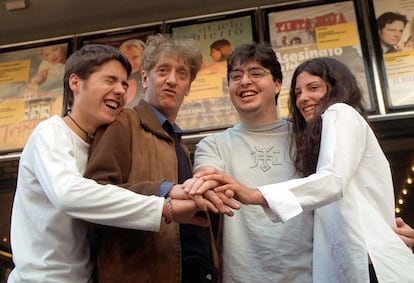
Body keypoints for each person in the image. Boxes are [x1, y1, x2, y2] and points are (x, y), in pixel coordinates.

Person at [192, 57, 414, 282]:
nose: (304, 98)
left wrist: (255, 194)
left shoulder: (339, 112)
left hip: (356, 265)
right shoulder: (312, 138)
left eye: (313, 88)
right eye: (298, 93)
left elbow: (332, 182)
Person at [7, 44, 209, 283]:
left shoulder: (95, 142)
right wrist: (164, 207)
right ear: (75, 82)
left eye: (124, 84)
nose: (120, 91)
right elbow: (69, 194)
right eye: (110, 80)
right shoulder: (50, 132)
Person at [84, 34, 237, 283]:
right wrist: (164, 190)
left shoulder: (179, 144)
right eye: (162, 70)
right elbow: (93, 198)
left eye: (182, 74)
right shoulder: (124, 123)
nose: (172, 80)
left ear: (188, 87)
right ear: (145, 78)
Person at [184, 42, 314, 282]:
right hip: (240, 276)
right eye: (236, 76)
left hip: (311, 274)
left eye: (256, 73)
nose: (245, 81)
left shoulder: (309, 139)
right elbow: (208, 182)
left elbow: (338, 190)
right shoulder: (213, 145)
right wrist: (208, 185)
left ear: (277, 84)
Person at [118, 38, 146, 108]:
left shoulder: (151, 78)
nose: (130, 63)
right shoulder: (117, 80)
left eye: (135, 57)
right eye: (126, 58)